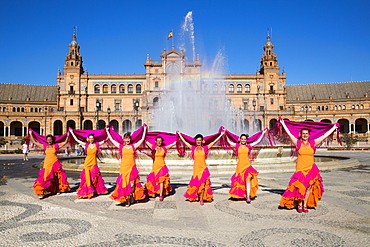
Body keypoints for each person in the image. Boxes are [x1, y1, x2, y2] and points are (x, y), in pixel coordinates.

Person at [279, 119, 338, 213]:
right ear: (300, 135)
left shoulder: (313, 143)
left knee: (309, 187)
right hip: (300, 169)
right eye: (303, 133)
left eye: (306, 133)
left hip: (311, 168)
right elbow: (289, 134)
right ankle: (299, 204)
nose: (305, 135)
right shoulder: (298, 143)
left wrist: (334, 128)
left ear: (309, 135)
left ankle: (305, 205)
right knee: (301, 187)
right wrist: (283, 124)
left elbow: (324, 136)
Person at [178, 131, 224, 205]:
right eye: (197, 140)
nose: (198, 142)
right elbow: (185, 142)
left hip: (203, 169)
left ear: (202, 141)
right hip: (196, 169)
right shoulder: (193, 148)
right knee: (196, 183)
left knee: (202, 183)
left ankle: (201, 199)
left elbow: (214, 142)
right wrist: (180, 135)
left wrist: (221, 135)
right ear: (195, 141)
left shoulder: (205, 148)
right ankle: (197, 196)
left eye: (200, 140)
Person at [107, 125, 147, 206]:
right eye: (126, 138)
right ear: (123, 139)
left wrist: (145, 130)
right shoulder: (121, 146)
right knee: (125, 184)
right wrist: (107, 131)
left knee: (132, 185)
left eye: (128, 138)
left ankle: (131, 197)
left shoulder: (133, 146)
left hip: (132, 168)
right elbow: (111, 139)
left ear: (130, 139)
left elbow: (142, 139)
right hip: (124, 168)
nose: (127, 140)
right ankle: (128, 200)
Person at [226, 129, 267, 203]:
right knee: (240, 181)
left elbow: (257, 142)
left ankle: (248, 196)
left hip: (247, 166)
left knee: (248, 179)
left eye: (244, 139)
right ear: (240, 139)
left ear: (246, 140)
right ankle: (240, 195)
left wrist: (263, 133)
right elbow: (229, 142)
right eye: (242, 139)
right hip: (240, 166)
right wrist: (224, 133)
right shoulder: (237, 146)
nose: (243, 140)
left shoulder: (249, 146)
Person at [29, 133, 71, 199]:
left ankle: (57, 189)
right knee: (45, 177)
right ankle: (42, 192)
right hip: (47, 163)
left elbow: (65, 142)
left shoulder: (56, 146)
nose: (49, 141)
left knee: (56, 177)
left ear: (52, 140)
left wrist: (68, 136)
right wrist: (31, 134)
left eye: (50, 139)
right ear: (46, 140)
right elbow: (35, 142)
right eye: (48, 139)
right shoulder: (45, 146)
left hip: (55, 163)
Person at [69, 132, 108, 199]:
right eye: (90, 138)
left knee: (94, 177)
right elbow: (77, 140)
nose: (91, 139)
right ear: (88, 139)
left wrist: (107, 132)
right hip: (87, 163)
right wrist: (72, 133)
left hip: (94, 163)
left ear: (94, 139)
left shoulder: (97, 144)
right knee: (87, 178)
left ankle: (94, 191)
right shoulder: (86, 145)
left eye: (92, 138)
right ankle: (88, 192)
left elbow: (105, 140)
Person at [145, 136, 176, 201]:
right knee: (154, 180)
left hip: (162, 166)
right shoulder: (153, 147)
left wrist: (178, 137)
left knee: (161, 180)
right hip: (155, 166)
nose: (159, 142)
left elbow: (172, 144)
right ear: (155, 142)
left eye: (160, 141)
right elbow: (145, 141)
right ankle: (156, 192)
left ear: (162, 142)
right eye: (158, 141)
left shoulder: (164, 148)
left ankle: (161, 195)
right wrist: (144, 131)